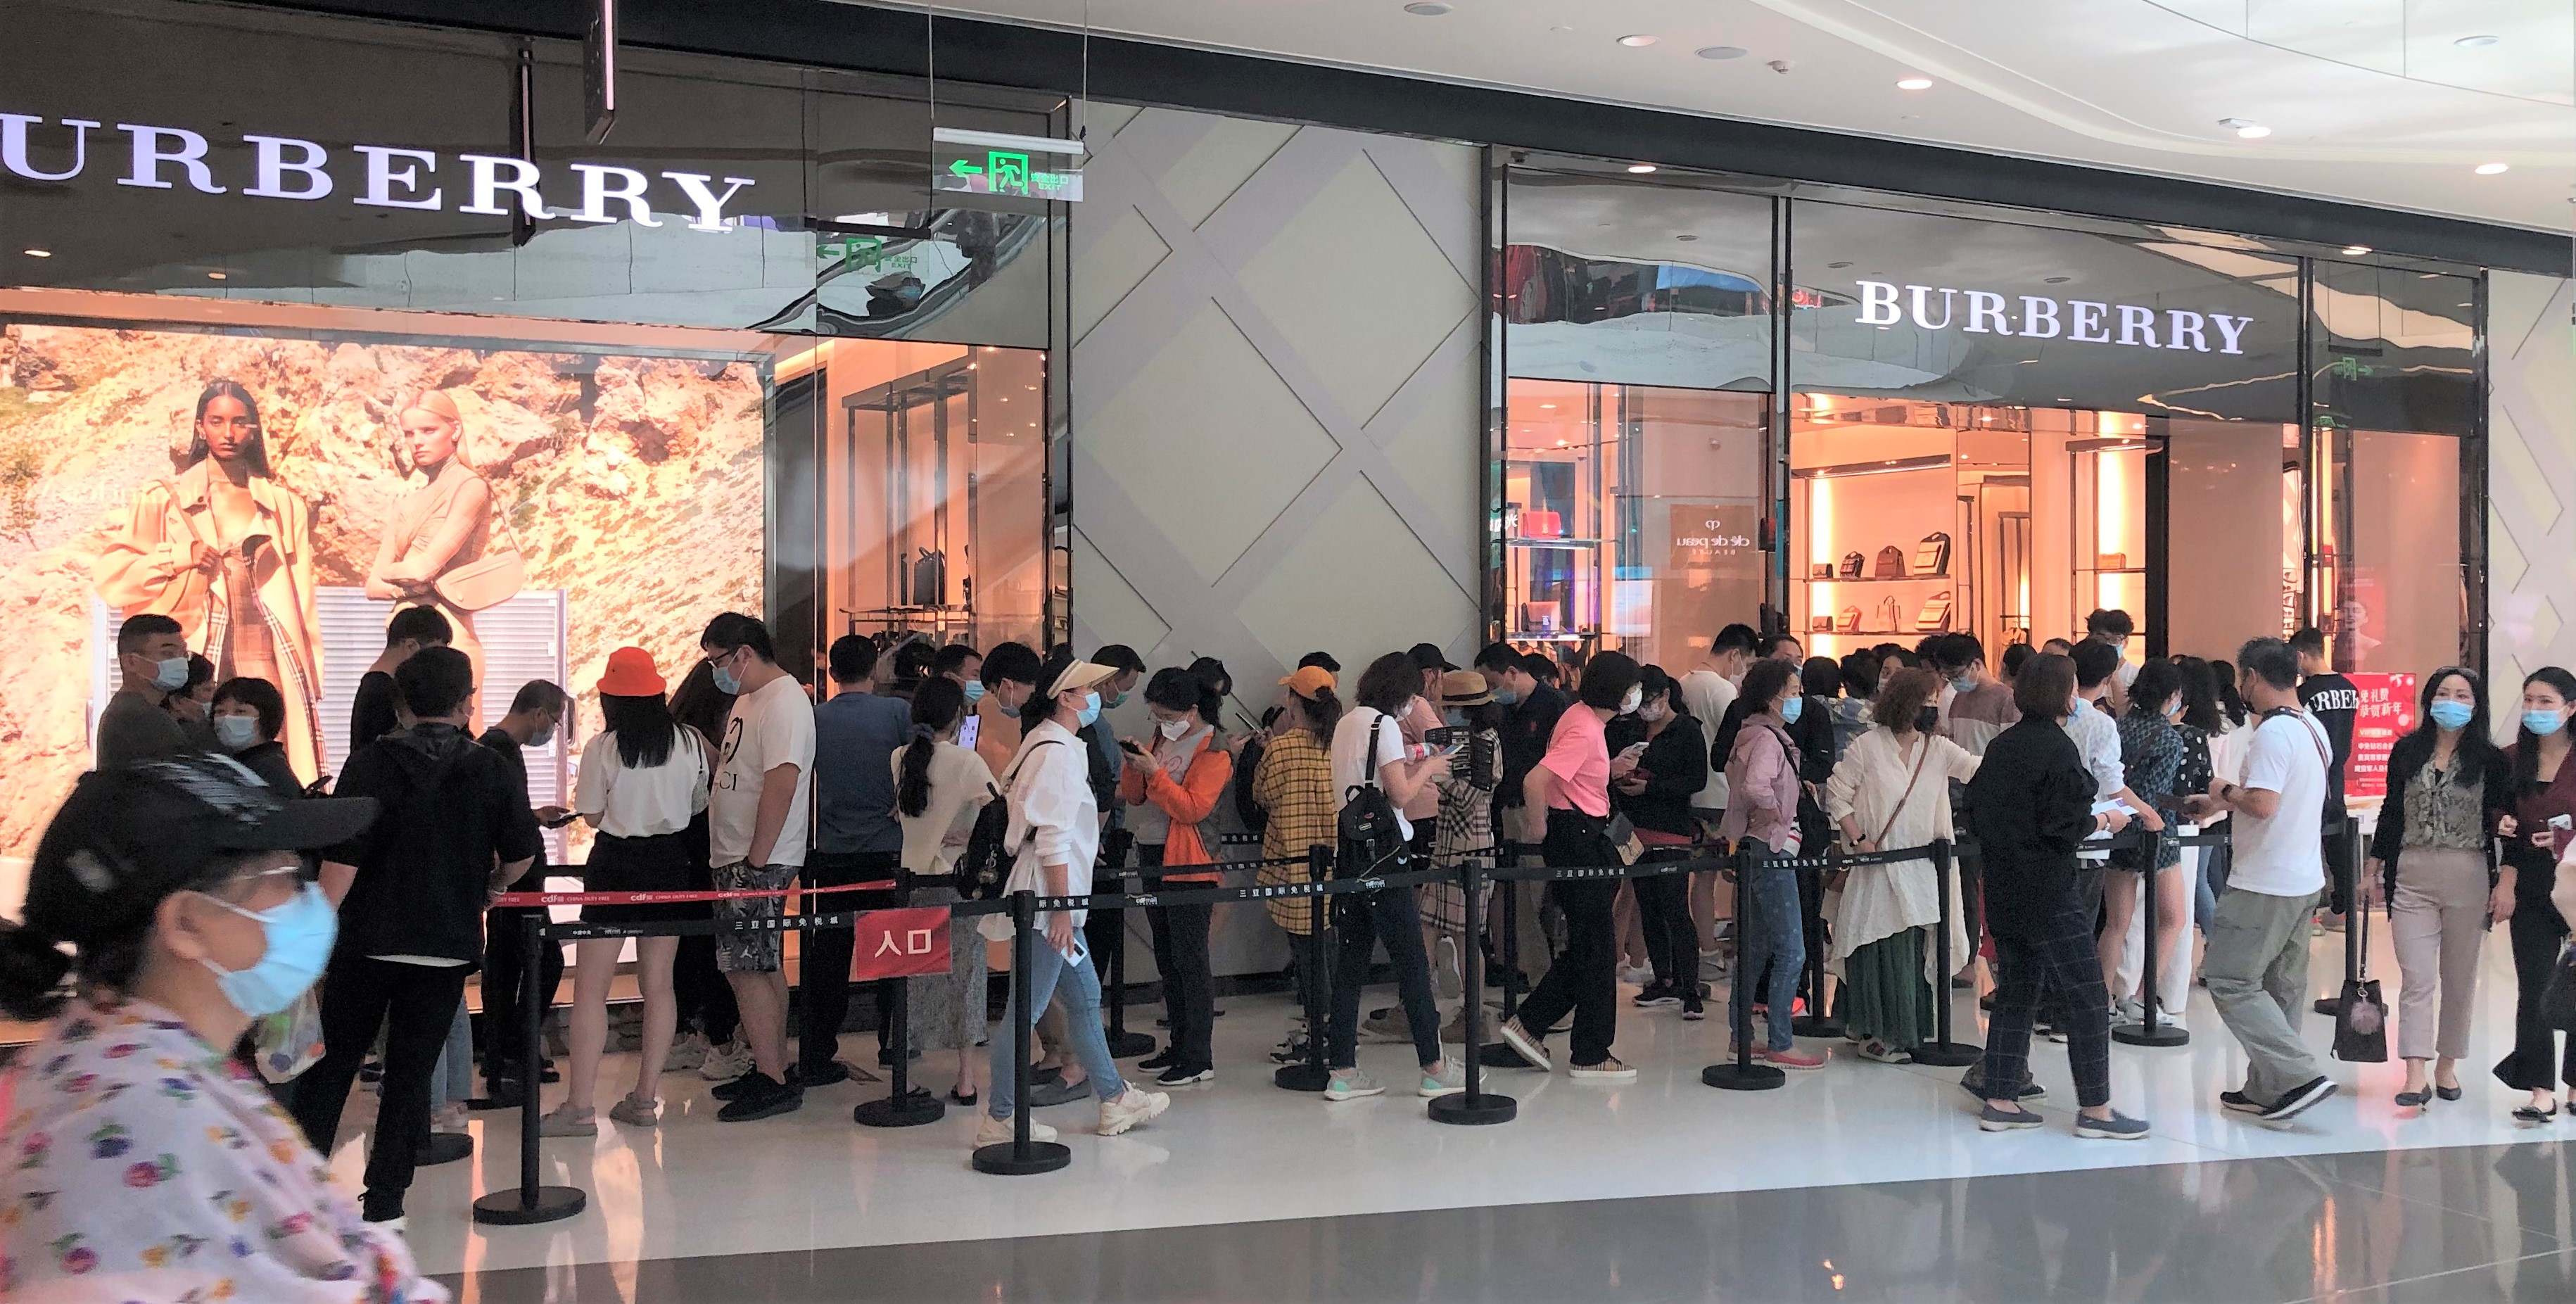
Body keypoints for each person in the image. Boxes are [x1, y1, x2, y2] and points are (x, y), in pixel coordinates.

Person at [0, 754, 426, 1296]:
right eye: (287, 876)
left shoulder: (132, 1062)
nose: (309, 898)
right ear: (186, 923)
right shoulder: (140, 1120)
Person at [293, 646, 540, 1226]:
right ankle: (385, 1202)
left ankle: (297, 1193)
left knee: (334, 1065)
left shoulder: (369, 764)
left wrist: (310, 937)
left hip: (368, 939)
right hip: (445, 942)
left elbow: (343, 860)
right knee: (410, 1075)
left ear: (400, 704)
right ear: (465, 703)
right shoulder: (490, 767)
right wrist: (493, 887)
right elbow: (522, 851)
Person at [979, 655, 1172, 1145]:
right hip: (1048, 902)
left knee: (1084, 998)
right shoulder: (1059, 753)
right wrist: (1062, 912)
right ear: (1065, 697)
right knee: (1027, 1010)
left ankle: (1113, 1097)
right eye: (1086, 690)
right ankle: (1001, 1115)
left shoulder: (1045, 743)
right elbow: (1052, 839)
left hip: (1047, 900)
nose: (1094, 698)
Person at [95, 379, 327, 781]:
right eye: (217, 421)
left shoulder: (283, 505)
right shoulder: (163, 499)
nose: (229, 432)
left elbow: (301, 596)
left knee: (268, 757)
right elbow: (114, 577)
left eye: (240, 422)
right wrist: (177, 557)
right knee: (197, 756)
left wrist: (311, 673)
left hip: (270, 651)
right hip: (200, 649)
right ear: (200, 427)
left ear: (254, 429)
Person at [1964, 652, 2147, 1138]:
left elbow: (1975, 809)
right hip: (2049, 888)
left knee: (2017, 990)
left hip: (2003, 885)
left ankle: (2000, 1097)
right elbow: (2064, 825)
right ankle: (2096, 1109)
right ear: (2065, 695)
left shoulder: (2002, 746)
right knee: (2086, 994)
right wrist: (2105, 819)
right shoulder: (2058, 749)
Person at [540, 648, 708, 1135]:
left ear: (611, 699)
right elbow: (699, 803)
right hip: (671, 864)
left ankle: (578, 1108)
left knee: (591, 988)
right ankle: (644, 1099)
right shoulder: (690, 741)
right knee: (660, 985)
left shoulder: (604, 747)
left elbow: (592, 815)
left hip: (615, 865)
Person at [2182, 637, 2339, 1123]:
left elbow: (2264, 804)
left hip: (2264, 880)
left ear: (2250, 677)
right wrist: (2219, 804)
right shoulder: (2311, 726)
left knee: (2228, 977)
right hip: (2302, 875)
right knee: (2281, 985)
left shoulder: (2272, 734)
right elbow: (2283, 798)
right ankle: (2269, 1088)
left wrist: (2221, 788)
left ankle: (2297, 1073)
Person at [2363, 667, 2510, 1109]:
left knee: (2460, 978)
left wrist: (2506, 879)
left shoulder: (2491, 760)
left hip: (2469, 872)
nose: (2452, 702)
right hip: (2412, 872)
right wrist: (2372, 868)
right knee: (2417, 977)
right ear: (2428, 701)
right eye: (2443, 693)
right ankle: (2414, 1071)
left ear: (2476, 705)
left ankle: (2447, 1063)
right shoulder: (2407, 751)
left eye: (2462, 695)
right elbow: (2392, 811)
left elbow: (2501, 820)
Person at [1320, 652, 1464, 1101]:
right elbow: (1399, 795)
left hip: (1350, 851)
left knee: (1351, 964)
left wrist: (1417, 756)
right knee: (1412, 963)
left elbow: (1370, 776)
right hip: (1386, 854)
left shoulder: (1347, 723)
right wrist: (1431, 768)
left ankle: (1342, 1069)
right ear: (1401, 692)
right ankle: (1434, 1067)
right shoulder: (1383, 725)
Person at [1498, 651, 1644, 1081]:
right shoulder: (1583, 726)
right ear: (1618, 691)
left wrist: (1608, 769)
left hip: (1582, 832)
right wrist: (1538, 828)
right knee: (1597, 949)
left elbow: (1570, 775)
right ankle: (1590, 1051)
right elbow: (1535, 780)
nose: (1636, 695)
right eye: (1633, 687)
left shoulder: (1583, 719)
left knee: (1587, 947)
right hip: (1578, 838)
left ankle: (1530, 1025)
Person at [1827, 668, 1980, 1064]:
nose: (1932, 708)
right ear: (1906, 703)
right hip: (1877, 866)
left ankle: (1902, 1031)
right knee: (1877, 942)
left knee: (1913, 949)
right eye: (1927, 700)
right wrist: (1859, 840)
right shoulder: (1867, 747)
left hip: (1922, 869)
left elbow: (1977, 769)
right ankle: (1874, 1031)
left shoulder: (1938, 749)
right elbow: (1837, 795)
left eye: (1935, 701)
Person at [697, 612, 816, 1122]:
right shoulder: (749, 698)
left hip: (757, 859)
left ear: (744, 653)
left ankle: (772, 1078)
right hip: (734, 854)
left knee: (745, 968)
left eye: (719, 661)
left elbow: (781, 784)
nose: (716, 672)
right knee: (758, 965)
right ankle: (772, 1065)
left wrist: (756, 860)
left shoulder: (784, 701)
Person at [803, 635, 912, 1088]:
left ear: (832, 674)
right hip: (888, 850)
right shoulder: (897, 713)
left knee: (828, 954)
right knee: (891, 952)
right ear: (875, 671)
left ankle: (817, 1049)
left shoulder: (814, 718)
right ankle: (893, 1044)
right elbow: (924, 763)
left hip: (832, 851)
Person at [1706, 658, 1824, 1070]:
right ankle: (1780, 1040)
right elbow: (1757, 787)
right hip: (1773, 849)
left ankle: (1742, 1036)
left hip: (1753, 848)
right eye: (1792, 691)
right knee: (1792, 949)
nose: (1798, 698)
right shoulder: (1770, 741)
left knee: (1754, 949)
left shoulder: (1750, 734)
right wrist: (1777, 812)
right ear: (1774, 697)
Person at [1121, 666, 1233, 1087]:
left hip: (1190, 862)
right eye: (1155, 716)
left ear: (1191, 709)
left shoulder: (1214, 748)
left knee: (1191, 958)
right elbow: (1135, 797)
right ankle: (1179, 1043)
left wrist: (1155, 772)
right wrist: (1135, 766)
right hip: (1152, 852)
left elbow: (1192, 808)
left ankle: (1199, 1055)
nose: (1161, 723)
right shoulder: (1161, 739)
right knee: (1167, 955)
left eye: (1167, 716)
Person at [367, 390, 499, 728]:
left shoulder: (471, 487)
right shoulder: (408, 501)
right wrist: (410, 584)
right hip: (402, 643)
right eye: (409, 433)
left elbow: (424, 567)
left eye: (428, 430)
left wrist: (402, 578)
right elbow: (373, 584)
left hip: (450, 639)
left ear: (455, 430)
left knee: (455, 744)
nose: (417, 441)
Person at [892, 676, 996, 1105]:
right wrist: (968, 837)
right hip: (956, 881)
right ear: (958, 717)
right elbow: (999, 813)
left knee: (911, 976)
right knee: (966, 978)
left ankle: (904, 1072)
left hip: (912, 882)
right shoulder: (968, 762)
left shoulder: (900, 757)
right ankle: (966, 1078)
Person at [472, 678, 570, 1106]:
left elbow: (504, 813)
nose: (552, 730)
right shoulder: (500, 751)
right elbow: (500, 819)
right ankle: (512, 1051)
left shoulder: (494, 749)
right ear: (539, 714)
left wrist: (534, 817)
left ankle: (507, 1053)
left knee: (512, 967)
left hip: (518, 882)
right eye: (555, 721)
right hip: (516, 884)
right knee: (534, 964)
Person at [2496, 666, 2576, 1122]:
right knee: (2535, 983)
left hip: (2574, 880)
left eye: (2545, 702)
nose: (2534, 709)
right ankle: (2539, 1089)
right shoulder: (2511, 760)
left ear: (2570, 708)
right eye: (2528, 700)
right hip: (2530, 881)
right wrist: (2501, 824)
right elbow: (2499, 818)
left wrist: (2565, 839)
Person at [1609, 666, 1710, 1017]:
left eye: (1649, 701)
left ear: (1666, 696)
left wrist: (1651, 787)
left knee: (1674, 906)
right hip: (1630, 826)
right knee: (1647, 905)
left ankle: (1690, 986)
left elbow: (1696, 780)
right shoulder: (1630, 728)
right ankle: (1663, 978)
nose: (1644, 709)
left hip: (1670, 826)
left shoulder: (1687, 730)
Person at [1252, 665, 1340, 1063]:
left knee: (1306, 956)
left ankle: (1317, 1035)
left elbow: (1263, 795)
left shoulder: (1281, 748)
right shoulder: (1338, 745)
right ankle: (1336, 1030)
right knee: (1330, 950)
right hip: (1335, 865)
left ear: (1295, 703)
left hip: (1292, 864)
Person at [2101, 659, 2195, 1027]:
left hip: (2118, 827)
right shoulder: (2170, 738)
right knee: (2173, 918)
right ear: (2173, 696)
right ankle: (2142, 998)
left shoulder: (2118, 726)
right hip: (2158, 833)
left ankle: (2102, 1001)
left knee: (2116, 924)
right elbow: (2154, 793)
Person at [666, 660, 744, 1080]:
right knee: (715, 949)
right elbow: (725, 777)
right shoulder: (698, 737)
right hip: (710, 847)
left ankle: (682, 1036)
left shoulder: (672, 731)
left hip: (680, 851)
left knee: (686, 946)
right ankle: (721, 1042)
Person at [2293, 626, 2361, 927]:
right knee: (2338, 844)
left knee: (2305, 843)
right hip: (2337, 775)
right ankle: (2343, 907)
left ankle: (2307, 912)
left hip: (2311, 775)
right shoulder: (2349, 689)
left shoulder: (2304, 694)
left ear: (2301, 656)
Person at [94, 612, 198, 768]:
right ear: (131, 662)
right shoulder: (141, 717)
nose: (181, 662)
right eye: (167, 654)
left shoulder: (126, 708)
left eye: (184, 654)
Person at [350, 605, 454, 753]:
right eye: (433, 654)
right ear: (411, 646)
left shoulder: (378, 684)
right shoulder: (380, 690)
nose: (436, 663)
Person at [211, 675, 302, 795]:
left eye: (240, 711)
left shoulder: (269, 771)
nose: (227, 718)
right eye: (220, 711)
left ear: (265, 718)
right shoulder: (237, 761)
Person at [1933, 633, 2018, 757]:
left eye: (1956, 674)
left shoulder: (2007, 699)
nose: (1953, 681)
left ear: (1976, 664)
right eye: (1949, 677)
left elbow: (2012, 749)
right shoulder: (1958, 698)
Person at [974, 640, 1044, 776]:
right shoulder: (1038, 713)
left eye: (994, 692)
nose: (996, 700)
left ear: (1007, 685)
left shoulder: (1040, 721)